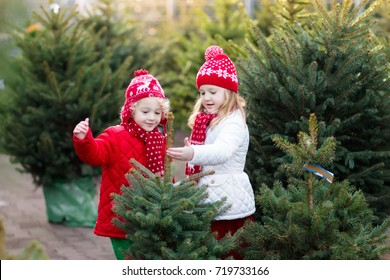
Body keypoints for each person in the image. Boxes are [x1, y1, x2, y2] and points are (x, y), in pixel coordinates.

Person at [167, 45, 255, 259]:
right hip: (210, 202)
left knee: (229, 256)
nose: (206, 97)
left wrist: (193, 153)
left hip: (229, 207)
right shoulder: (208, 121)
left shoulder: (233, 121)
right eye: (203, 92)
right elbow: (206, 160)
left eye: (213, 92)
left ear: (229, 92)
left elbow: (222, 151)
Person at [73, 69, 170, 260]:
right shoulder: (115, 135)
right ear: (131, 110)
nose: (152, 117)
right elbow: (96, 154)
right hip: (122, 217)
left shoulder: (159, 139)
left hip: (153, 217)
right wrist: (84, 140)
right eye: (145, 111)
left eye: (157, 112)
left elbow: (167, 174)